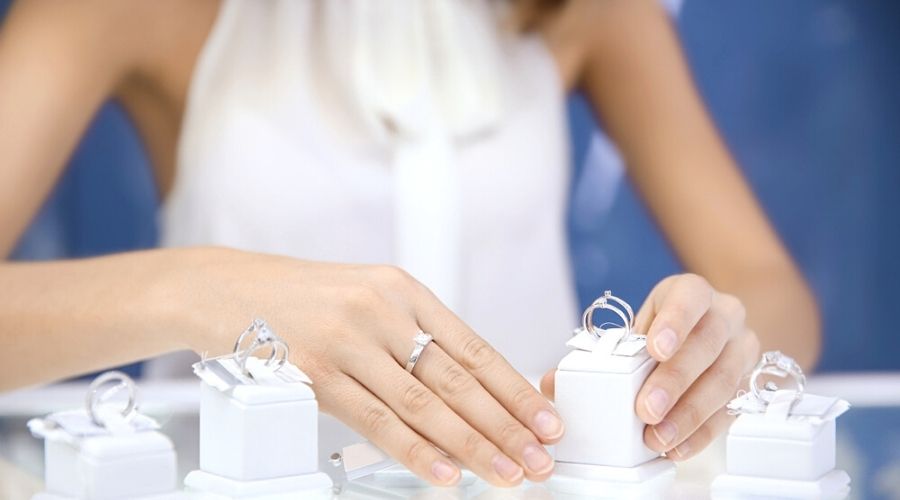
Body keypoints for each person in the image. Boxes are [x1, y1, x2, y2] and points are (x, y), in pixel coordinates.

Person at [0, 0, 820, 488]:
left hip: (539, 487)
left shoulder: (583, 10)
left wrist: (712, 357)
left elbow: (766, 285)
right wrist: (200, 289)